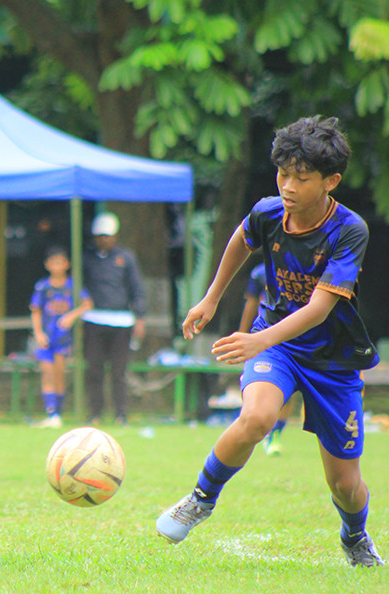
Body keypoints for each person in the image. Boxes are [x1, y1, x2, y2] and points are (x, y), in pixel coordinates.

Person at [156, 116, 383, 567]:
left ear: (330, 181)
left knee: (344, 484)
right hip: (276, 342)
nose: (288, 186)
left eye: (302, 177)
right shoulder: (267, 212)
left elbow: (319, 310)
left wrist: (256, 342)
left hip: (332, 357)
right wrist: (210, 299)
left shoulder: (349, 229)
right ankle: (201, 498)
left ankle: (355, 537)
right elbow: (241, 241)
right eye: (283, 174)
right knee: (257, 416)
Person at [80, 212, 146, 425]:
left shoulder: (126, 258)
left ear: (115, 236)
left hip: (122, 322)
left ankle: (121, 414)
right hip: (94, 320)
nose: (103, 239)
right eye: (100, 236)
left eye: (107, 236)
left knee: (119, 371)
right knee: (94, 369)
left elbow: (136, 288)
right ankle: (95, 413)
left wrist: (140, 318)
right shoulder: (87, 258)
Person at [30, 245, 93, 427]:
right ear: (47, 265)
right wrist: (38, 333)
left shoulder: (73, 286)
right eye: (53, 262)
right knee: (47, 373)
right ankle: (50, 412)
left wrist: (71, 316)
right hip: (46, 337)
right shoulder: (43, 286)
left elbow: (87, 304)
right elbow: (35, 310)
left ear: (67, 264)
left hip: (63, 338)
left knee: (59, 373)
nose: (57, 266)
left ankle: (58, 412)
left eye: (60, 262)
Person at [240, 262, 296, 456]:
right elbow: (251, 302)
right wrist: (242, 333)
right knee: (257, 387)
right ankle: (254, 429)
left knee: (289, 393)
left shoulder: (301, 268)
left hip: (293, 337)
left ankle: (274, 434)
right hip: (264, 338)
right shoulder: (259, 272)